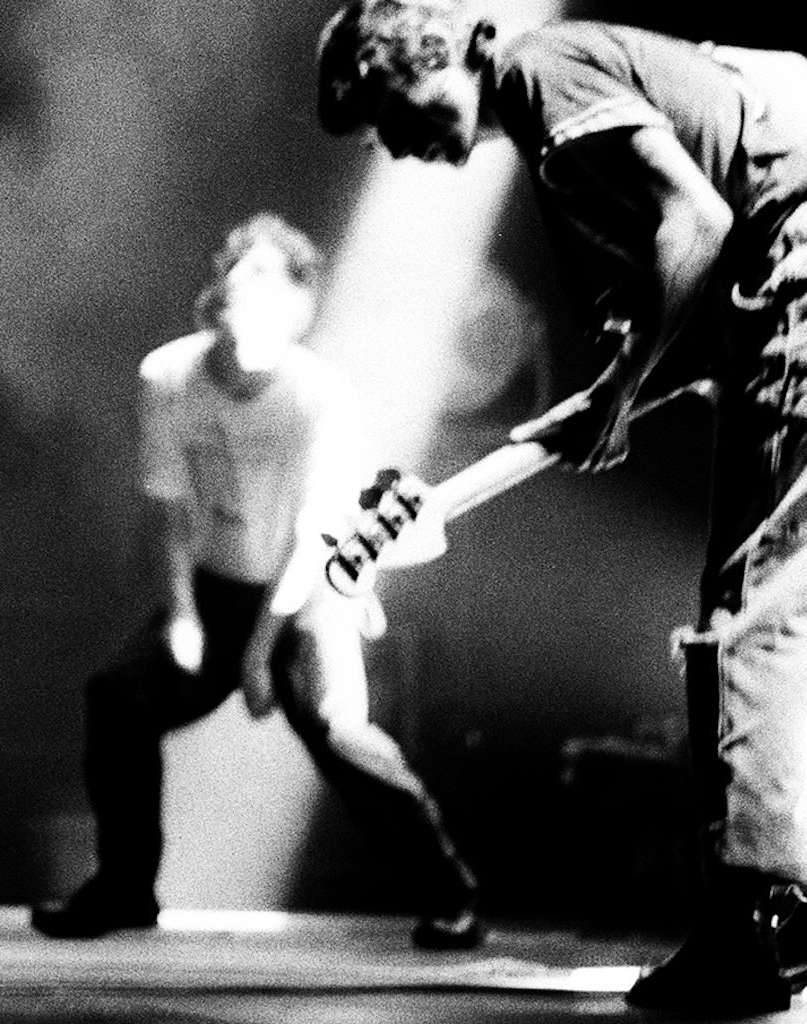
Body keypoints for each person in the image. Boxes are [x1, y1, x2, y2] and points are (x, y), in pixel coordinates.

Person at [315, 0, 807, 1014]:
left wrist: (617, 391)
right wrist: (603, 402)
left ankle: (748, 925)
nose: (393, 148)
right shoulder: (588, 82)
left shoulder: (536, 71)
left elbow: (696, 222)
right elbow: (770, 123)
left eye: (382, 116)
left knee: (752, 619)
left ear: (422, 57)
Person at [31, 213, 485, 950]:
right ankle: (124, 887)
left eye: (271, 273)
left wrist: (259, 653)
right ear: (220, 289)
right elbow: (170, 509)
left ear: (300, 304)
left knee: (344, 737)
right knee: (117, 697)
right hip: (216, 592)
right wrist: (184, 616)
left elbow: (314, 537)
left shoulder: (319, 396)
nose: (250, 283)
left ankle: (450, 895)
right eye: (241, 268)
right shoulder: (168, 375)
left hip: (308, 601)